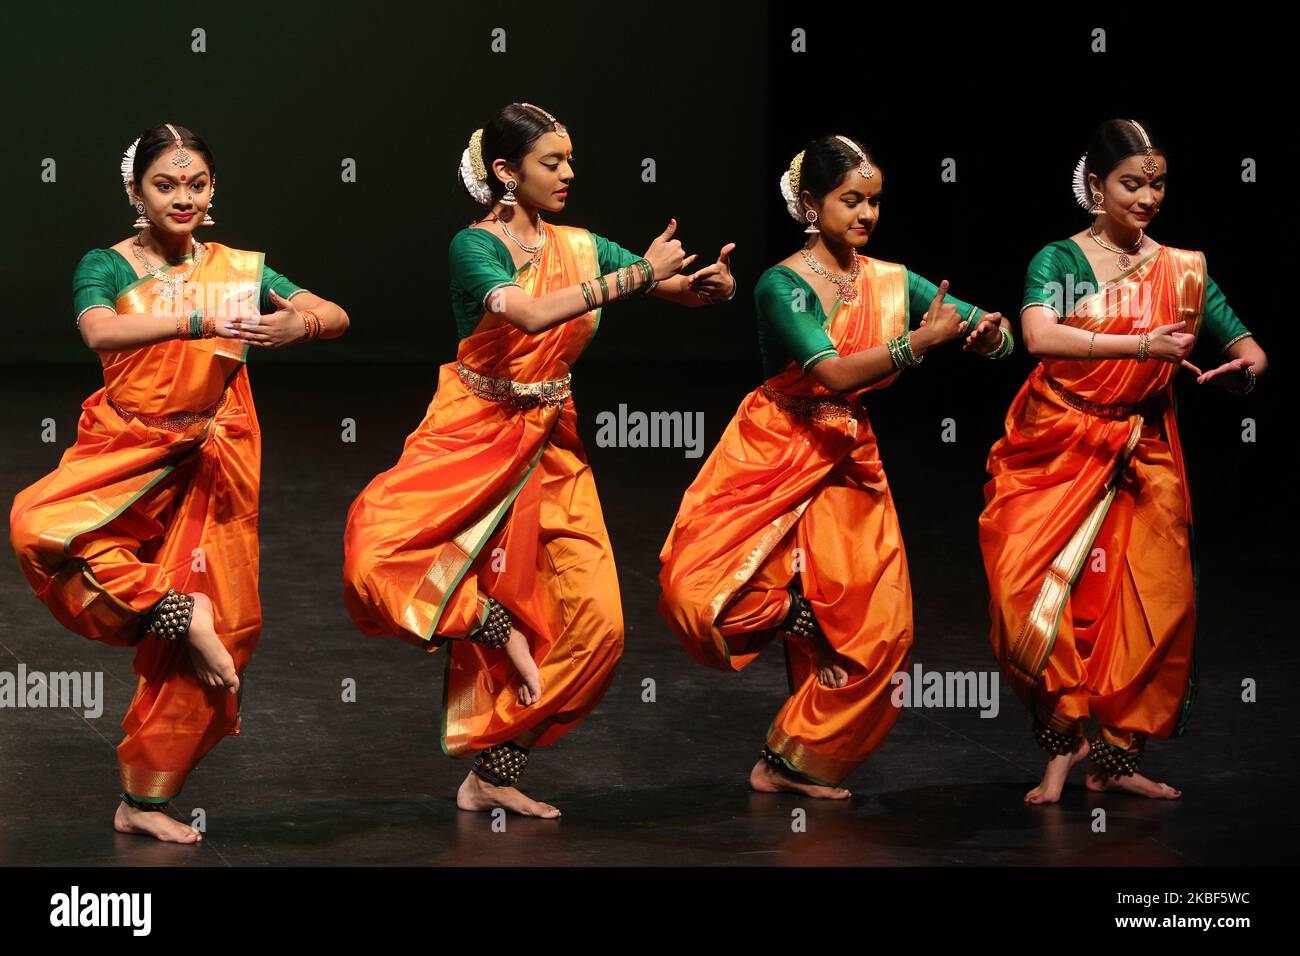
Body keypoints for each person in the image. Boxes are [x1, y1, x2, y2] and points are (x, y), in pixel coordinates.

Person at [342, 103, 736, 818]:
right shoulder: (475, 247)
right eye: (552, 162)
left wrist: (706, 288)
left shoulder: (581, 245)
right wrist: (640, 274)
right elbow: (525, 314)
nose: (568, 173)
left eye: (570, 160)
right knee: (377, 561)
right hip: (474, 430)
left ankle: (496, 766)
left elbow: (664, 283)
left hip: (553, 444)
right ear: (505, 170)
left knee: (601, 627)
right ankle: (489, 623)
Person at [9, 123, 349, 843]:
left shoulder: (236, 266)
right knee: (40, 529)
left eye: (196, 184)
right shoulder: (106, 264)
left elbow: (332, 313)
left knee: (227, 631)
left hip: (213, 452)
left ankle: (143, 800)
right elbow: (99, 332)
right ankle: (171, 608)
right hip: (126, 446)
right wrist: (198, 319)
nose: (183, 197)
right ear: (136, 191)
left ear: (213, 189)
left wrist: (300, 328)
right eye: (166, 184)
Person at [658, 134, 1012, 798]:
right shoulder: (781, 284)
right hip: (774, 446)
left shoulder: (890, 279)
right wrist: (916, 343)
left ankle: (790, 762)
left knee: (884, 632)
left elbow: (988, 331)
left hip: (850, 461)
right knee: (699, 597)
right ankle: (804, 614)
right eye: (852, 200)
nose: (867, 214)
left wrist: (988, 334)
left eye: (874, 201)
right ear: (811, 204)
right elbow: (832, 371)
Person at [978, 118, 1268, 804]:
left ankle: (1113, 757)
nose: (1147, 198)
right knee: (1027, 595)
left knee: (1144, 609)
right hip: (1057, 443)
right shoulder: (1060, 261)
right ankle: (1065, 737)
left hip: (1144, 452)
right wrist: (1140, 348)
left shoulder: (1183, 269)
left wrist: (1243, 371)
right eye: (1131, 184)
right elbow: (1039, 335)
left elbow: (1250, 347)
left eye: (1157, 184)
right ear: (1095, 186)